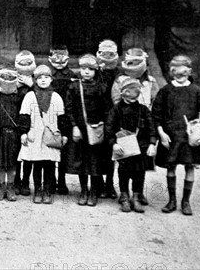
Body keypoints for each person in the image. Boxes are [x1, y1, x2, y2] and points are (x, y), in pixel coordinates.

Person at [152, 55, 200, 216]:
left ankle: (185, 202)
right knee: (170, 167)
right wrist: (161, 133)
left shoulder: (197, 91)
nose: (181, 78)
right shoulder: (165, 91)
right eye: (177, 75)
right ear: (172, 73)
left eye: (184, 74)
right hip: (170, 135)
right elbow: (156, 114)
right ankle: (171, 200)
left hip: (189, 136)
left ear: (189, 72)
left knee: (190, 166)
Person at [105, 78, 157, 213]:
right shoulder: (116, 110)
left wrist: (152, 143)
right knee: (124, 171)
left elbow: (152, 127)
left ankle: (136, 196)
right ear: (123, 93)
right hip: (123, 145)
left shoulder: (144, 110)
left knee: (139, 172)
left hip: (141, 146)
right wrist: (113, 144)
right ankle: (124, 196)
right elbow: (109, 128)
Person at [65, 54, 110, 206]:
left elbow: (107, 109)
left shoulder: (101, 88)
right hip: (80, 130)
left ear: (96, 71)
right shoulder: (74, 87)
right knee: (81, 162)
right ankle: (83, 191)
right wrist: (74, 126)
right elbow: (69, 108)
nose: (86, 72)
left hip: (96, 130)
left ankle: (94, 192)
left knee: (95, 162)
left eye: (90, 69)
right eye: (84, 69)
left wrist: (102, 126)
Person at [18, 65, 67, 204]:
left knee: (49, 164)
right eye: (40, 78)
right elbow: (24, 116)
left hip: (50, 134)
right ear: (35, 80)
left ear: (51, 80)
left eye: (46, 77)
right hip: (34, 133)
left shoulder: (56, 97)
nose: (43, 80)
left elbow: (62, 117)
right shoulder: (30, 96)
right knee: (37, 163)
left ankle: (47, 190)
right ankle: (38, 190)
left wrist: (63, 134)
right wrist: (23, 133)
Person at [0, 63, 26, 202]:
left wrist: (22, 131)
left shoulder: (19, 96)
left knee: (12, 163)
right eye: (4, 76)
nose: (7, 79)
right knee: (0, 162)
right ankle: (1, 186)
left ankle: (10, 187)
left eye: (10, 76)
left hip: (14, 134)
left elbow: (24, 115)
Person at [46, 46, 77, 195]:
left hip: (65, 116)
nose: (59, 61)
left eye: (62, 57)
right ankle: (50, 181)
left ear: (68, 58)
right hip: (50, 115)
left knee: (64, 150)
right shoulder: (46, 75)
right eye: (55, 57)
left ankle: (62, 181)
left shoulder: (72, 75)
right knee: (50, 148)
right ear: (49, 58)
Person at [96, 39, 120, 199]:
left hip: (114, 116)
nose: (107, 55)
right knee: (96, 152)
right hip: (97, 115)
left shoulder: (119, 72)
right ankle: (98, 185)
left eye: (110, 53)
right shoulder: (95, 71)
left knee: (111, 152)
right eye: (104, 52)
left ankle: (110, 184)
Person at [13, 50, 36, 196]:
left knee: (28, 153)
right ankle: (16, 180)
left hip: (32, 120)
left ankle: (26, 181)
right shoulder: (13, 77)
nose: (25, 66)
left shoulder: (37, 78)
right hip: (15, 120)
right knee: (15, 153)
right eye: (22, 63)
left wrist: (32, 85)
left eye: (28, 63)